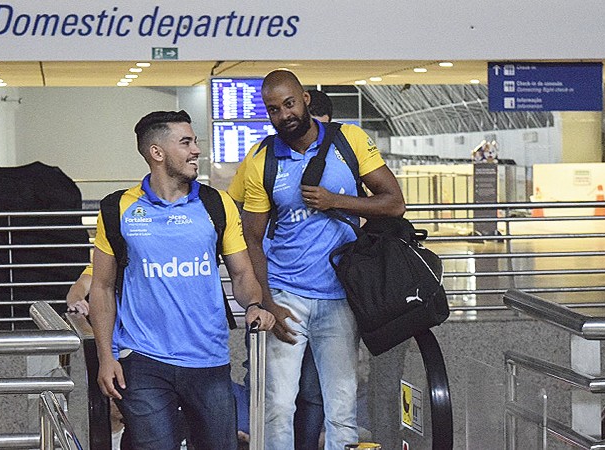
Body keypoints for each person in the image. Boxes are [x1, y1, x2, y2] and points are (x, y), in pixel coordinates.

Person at [88, 110, 275, 450]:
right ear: (156, 153)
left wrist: (254, 304)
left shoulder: (216, 204)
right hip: (142, 359)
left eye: (195, 141)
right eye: (186, 142)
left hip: (208, 358)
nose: (196, 150)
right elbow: (100, 287)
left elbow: (243, 272)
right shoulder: (118, 208)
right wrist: (106, 356)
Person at [240, 70, 405, 450]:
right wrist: (267, 302)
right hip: (286, 295)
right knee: (277, 407)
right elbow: (252, 238)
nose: (284, 114)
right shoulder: (261, 160)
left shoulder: (350, 141)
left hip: (341, 295)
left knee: (341, 407)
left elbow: (393, 203)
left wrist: (336, 201)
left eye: (289, 103)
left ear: (307, 100)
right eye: (273, 109)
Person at [227, 88, 334, 449]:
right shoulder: (263, 158)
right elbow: (232, 216)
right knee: (270, 389)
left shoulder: (340, 155)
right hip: (275, 287)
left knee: (316, 391)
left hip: (328, 294)